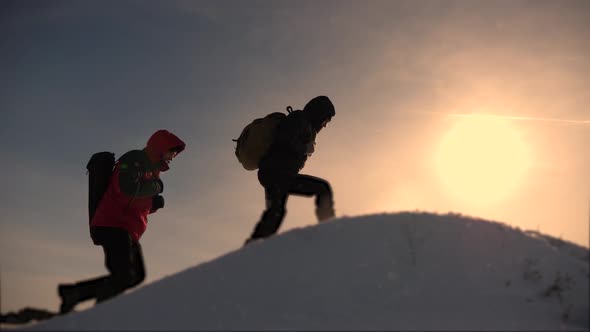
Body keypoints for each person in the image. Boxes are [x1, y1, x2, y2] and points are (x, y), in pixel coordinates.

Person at [57, 129, 185, 314]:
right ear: (161, 147)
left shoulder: (151, 169)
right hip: (112, 225)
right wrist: (153, 193)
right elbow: (125, 190)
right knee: (125, 275)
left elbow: (136, 202)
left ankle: (74, 293)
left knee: (136, 276)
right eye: (172, 151)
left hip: (126, 228)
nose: (173, 156)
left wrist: (153, 204)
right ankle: (99, 314)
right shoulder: (134, 160)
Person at [245, 96, 336, 245]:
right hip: (277, 173)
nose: (325, 125)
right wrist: (304, 148)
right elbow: (284, 138)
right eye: (326, 120)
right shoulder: (300, 118)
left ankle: (251, 249)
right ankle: (330, 231)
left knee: (275, 215)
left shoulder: (305, 124)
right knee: (322, 189)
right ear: (320, 113)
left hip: (273, 173)